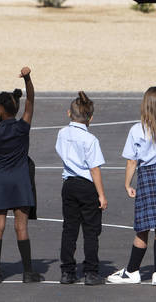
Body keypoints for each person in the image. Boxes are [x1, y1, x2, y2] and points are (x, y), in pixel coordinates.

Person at [108, 63, 156, 286]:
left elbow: (132, 160)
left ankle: (133, 271)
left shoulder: (137, 129)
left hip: (146, 177)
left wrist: (127, 183)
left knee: (143, 227)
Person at [0, 66, 43, 284]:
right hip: (20, 181)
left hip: (0, 181)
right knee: (21, 227)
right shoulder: (22, 128)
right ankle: (28, 272)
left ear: (0, 109)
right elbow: (31, 100)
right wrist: (28, 78)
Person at [55, 92, 107, 286]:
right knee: (91, 231)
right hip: (86, 185)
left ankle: (67, 271)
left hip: (69, 184)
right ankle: (91, 272)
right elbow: (94, 169)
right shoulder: (90, 139)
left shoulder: (62, 133)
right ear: (90, 118)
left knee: (69, 229)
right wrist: (101, 195)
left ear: (69, 113)